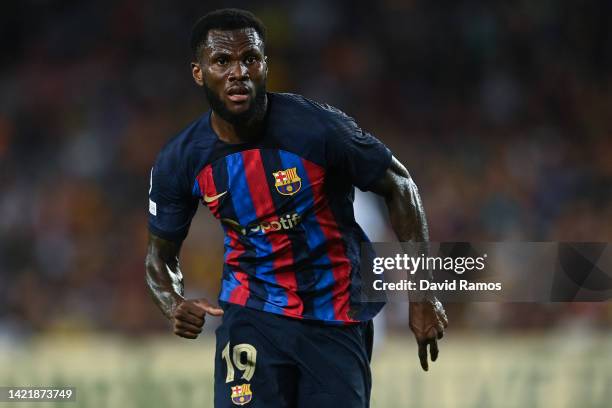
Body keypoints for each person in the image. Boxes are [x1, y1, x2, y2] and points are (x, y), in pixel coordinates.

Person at [145, 8, 448, 408]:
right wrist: (173, 303)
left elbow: (400, 186)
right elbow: (159, 259)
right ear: (199, 72)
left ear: (265, 65)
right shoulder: (180, 160)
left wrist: (423, 294)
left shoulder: (318, 129)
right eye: (222, 61)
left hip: (335, 316)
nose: (238, 71)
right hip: (252, 316)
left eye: (249, 59)